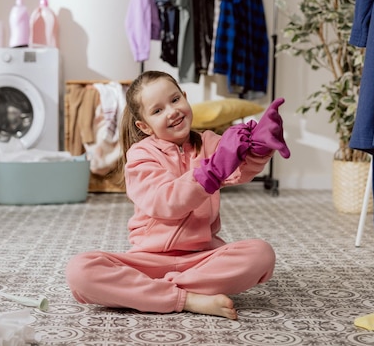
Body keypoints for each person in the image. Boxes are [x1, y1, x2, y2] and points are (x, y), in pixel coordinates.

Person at [65, 71, 290, 319]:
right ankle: (188, 299)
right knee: (80, 270)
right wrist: (212, 170)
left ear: (184, 97)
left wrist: (260, 146)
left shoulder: (208, 143)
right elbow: (166, 202)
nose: (171, 111)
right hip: (148, 261)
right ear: (144, 126)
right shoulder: (140, 156)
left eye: (174, 100)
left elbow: (239, 170)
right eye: (157, 111)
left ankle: (153, 294)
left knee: (261, 254)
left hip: (202, 259)